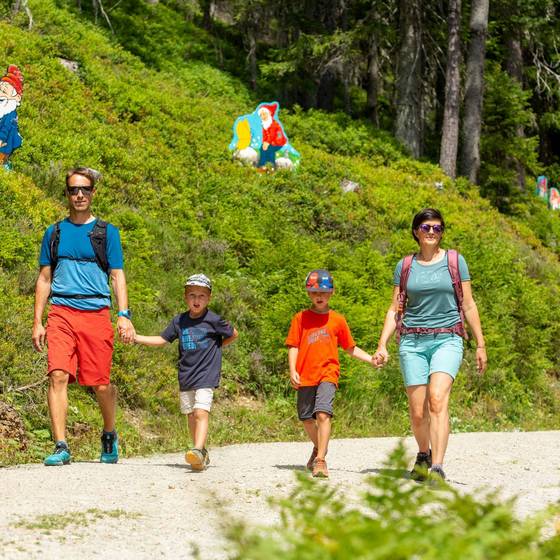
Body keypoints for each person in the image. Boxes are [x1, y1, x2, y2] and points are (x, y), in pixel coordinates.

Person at [373, 208, 487, 481]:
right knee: (417, 411)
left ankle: (437, 466)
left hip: (448, 338)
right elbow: (394, 309)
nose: (432, 232)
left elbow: (469, 304)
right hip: (412, 340)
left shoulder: (455, 261)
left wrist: (481, 344)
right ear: (416, 232)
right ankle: (423, 454)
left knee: (437, 399)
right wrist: (382, 344)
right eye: (426, 228)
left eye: (437, 228)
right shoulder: (405, 266)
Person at [32, 167, 135, 466]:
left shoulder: (106, 232)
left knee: (101, 383)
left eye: (85, 190)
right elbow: (44, 278)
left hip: (96, 313)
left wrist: (123, 314)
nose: (79, 195)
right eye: (74, 190)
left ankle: (109, 432)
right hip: (62, 312)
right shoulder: (54, 233)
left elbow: (117, 276)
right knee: (58, 374)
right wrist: (38, 321)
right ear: (66, 193)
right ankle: (61, 444)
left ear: (93, 193)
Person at [134, 274, 238, 471]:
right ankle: (200, 453)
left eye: (201, 296)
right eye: (192, 295)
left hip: (206, 374)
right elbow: (162, 340)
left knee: (201, 412)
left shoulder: (213, 320)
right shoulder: (179, 321)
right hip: (186, 374)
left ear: (209, 298)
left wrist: (216, 347)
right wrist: (136, 338)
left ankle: (197, 449)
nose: (196, 300)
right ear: (185, 297)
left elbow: (233, 334)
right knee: (191, 415)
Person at [285, 269, 376, 478]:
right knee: (307, 419)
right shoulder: (300, 318)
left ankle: (321, 460)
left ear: (331, 293)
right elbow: (293, 346)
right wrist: (292, 370)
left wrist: (370, 359)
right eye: (315, 292)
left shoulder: (337, 320)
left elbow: (350, 347)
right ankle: (319, 447)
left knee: (323, 414)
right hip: (305, 375)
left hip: (328, 373)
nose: (319, 296)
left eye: (324, 292)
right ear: (308, 293)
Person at [0, 65, 24, 170]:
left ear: (17, 97)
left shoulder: (10, 113)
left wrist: (1, 139)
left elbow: (6, 128)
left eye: (4, 92)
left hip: (4, 145)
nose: (1, 94)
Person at [257, 102, 287, 170]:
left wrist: (267, 143)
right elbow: (265, 135)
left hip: (278, 142)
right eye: (261, 115)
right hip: (270, 141)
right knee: (262, 149)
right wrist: (264, 142)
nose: (263, 117)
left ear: (269, 114)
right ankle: (262, 165)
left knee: (270, 150)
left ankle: (271, 166)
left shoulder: (273, 124)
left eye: (264, 114)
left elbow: (272, 135)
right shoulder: (265, 124)